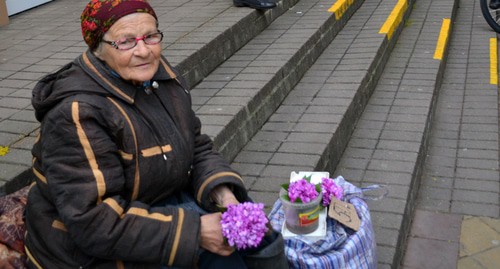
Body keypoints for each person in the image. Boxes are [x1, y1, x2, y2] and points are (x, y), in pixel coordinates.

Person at [24, 0, 288, 268]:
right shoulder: (76, 113)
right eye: (126, 41)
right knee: (225, 260)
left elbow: (195, 146)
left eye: (150, 36)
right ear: (99, 49)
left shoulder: (159, 77)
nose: (144, 51)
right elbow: (94, 223)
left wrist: (223, 194)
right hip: (93, 246)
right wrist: (196, 231)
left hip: (157, 201)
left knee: (263, 238)